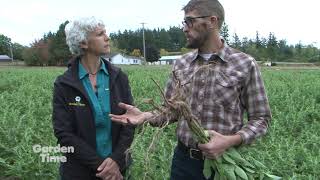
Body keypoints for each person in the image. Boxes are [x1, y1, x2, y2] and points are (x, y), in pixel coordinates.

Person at [109, 0, 271, 179]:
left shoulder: (244, 64)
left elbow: (261, 119)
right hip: (184, 163)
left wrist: (230, 141)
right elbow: (170, 112)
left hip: (223, 164)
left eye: (189, 21)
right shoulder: (182, 64)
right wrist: (145, 116)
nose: (185, 28)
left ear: (212, 21)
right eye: (184, 22)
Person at [52, 17, 135, 180]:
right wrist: (103, 166)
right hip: (79, 172)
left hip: (118, 169)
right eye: (100, 34)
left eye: (106, 32)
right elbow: (64, 133)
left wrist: (116, 160)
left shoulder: (119, 77)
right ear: (83, 43)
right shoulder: (64, 84)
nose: (107, 37)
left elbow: (129, 122)